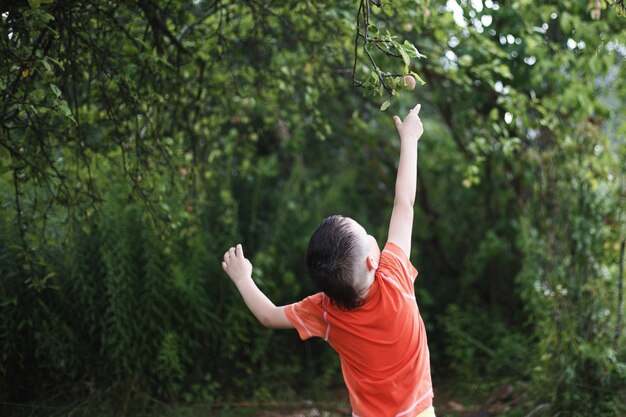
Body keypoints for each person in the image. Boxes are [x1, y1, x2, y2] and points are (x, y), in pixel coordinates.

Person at [221, 102, 434, 417]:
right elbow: (405, 203)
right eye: (365, 234)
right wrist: (409, 141)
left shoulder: (324, 310)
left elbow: (268, 315)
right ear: (371, 262)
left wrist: (242, 278)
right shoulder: (394, 277)